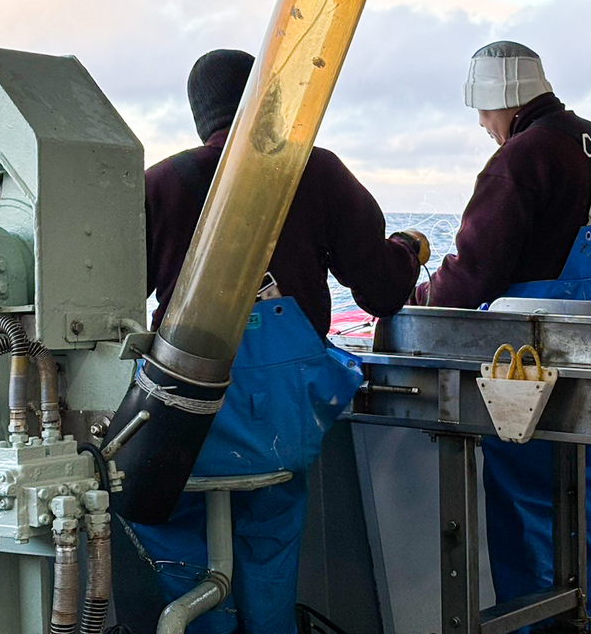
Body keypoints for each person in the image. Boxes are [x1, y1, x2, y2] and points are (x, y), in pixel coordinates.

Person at [135, 48, 428, 634]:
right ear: (270, 100)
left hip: (184, 416)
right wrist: (410, 249)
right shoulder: (315, 171)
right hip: (280, 420)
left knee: (170, 532)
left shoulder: (159, 184)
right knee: (270, 547)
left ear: (200, 116)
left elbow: (107, 304)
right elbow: (381, 290)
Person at [415, 42, 591, 633]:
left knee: (530, 526)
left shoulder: (518, 161)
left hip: (532, 379)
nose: (482, 125)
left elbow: (474, 273)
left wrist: (415, 300)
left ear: (503, 100)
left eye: (483, 111)